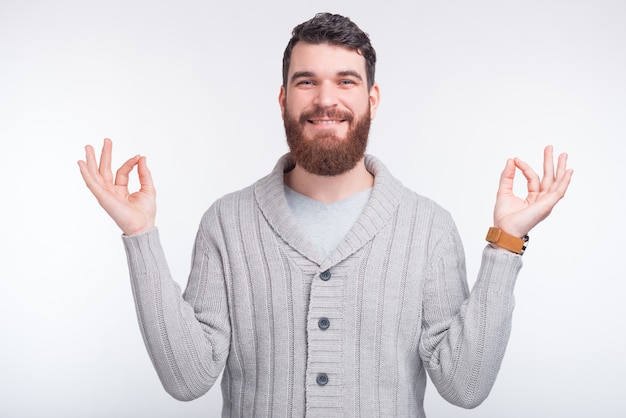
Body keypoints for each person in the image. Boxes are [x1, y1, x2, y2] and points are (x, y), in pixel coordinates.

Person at [78, 12, 573, 418]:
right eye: (307, 81)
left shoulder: (428, 228)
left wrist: (506, 241)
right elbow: (187, 380)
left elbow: (464, 386)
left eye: (345, 81)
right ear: (283, 99)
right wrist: (139, 233)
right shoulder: (227, 224)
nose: (326, 99)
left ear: (371, 100)